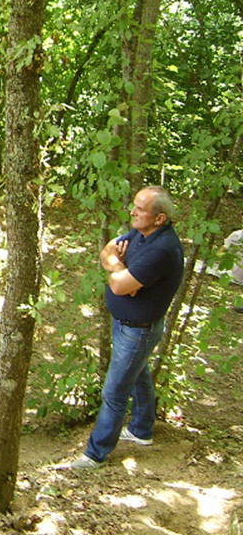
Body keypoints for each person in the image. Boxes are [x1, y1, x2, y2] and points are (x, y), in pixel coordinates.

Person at [67, 186, 184, 469]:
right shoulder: (142, 234)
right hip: (128, 326)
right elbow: (107, 251)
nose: (132, 212)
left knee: (114, 393)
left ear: (159, 218)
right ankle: (142, 430)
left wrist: (119, 274)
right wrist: (120, 268)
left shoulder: (162, 249)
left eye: (140, 210)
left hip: (138, 330)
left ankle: (95, 454)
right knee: (139, 374)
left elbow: (119, 285)